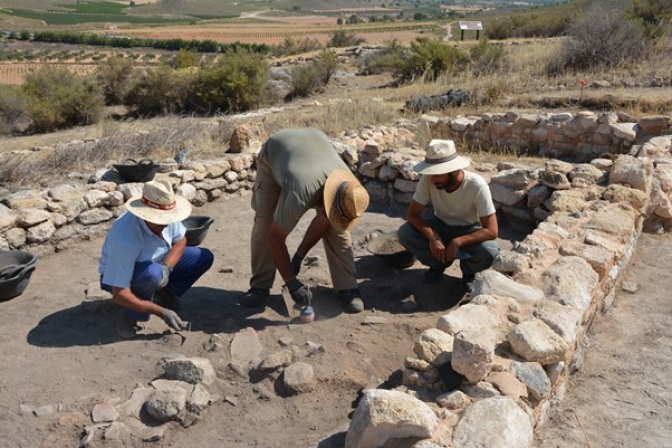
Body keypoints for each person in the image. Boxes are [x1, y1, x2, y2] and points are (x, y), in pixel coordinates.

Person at [242, 128, 370, 313]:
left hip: (311, 151)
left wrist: (299, 256)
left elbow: (326, 220)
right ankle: (260, 287)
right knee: (265, 224)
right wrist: (292, 283)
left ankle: (347, 287)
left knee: (338, 228)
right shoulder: (301, 192)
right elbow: (275, 238)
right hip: (275, 155)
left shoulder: (350, 190)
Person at [99, 179, 214, 339]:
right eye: (160, 223)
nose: (166, 226)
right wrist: (161, 312)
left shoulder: (166, 218)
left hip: (156, 265)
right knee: (152, 273)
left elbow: (180, 240)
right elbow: (119, 293)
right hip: (116, 279)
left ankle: (164, 293)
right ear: (146, 215)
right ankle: (130, 314)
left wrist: (168, 268)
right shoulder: (125, 239)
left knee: (202, 257)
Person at [397, 139, 499, 286]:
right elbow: (412, 214)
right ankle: (439, 264)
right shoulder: (428, 180)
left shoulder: (476, 185)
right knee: (405, 233)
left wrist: (457, 242)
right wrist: (433, 236)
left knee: (490, 251)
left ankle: (468, 271)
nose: (433, 179)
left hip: (469, 229)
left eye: (437, 174)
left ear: (453, 171)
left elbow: (491, 231)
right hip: (441, 225)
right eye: (431, 173)